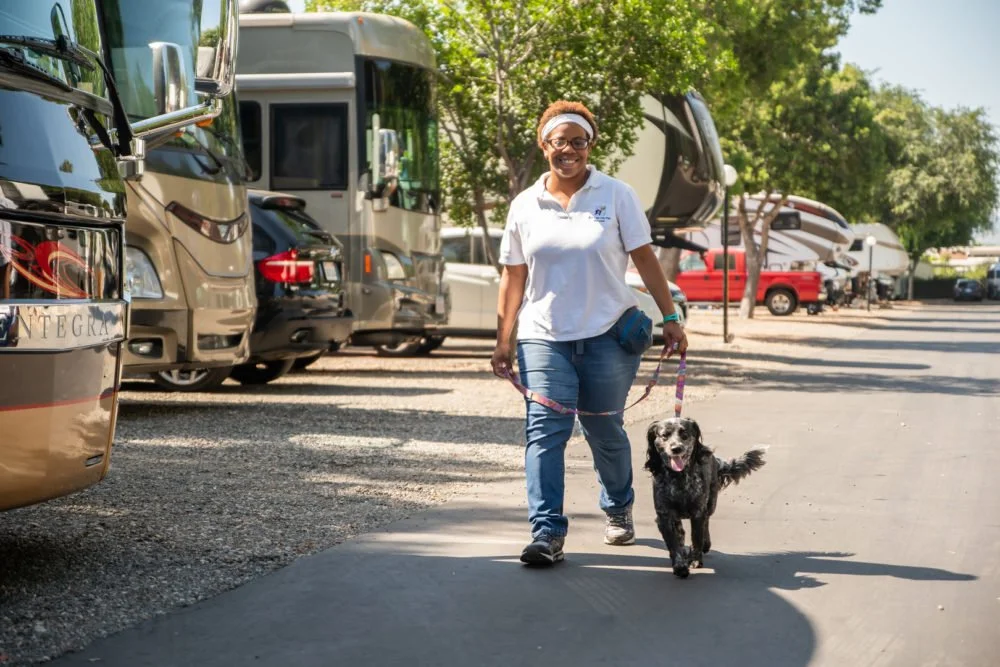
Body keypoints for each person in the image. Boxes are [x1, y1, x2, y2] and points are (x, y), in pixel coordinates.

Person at [491, 100, 688, 566]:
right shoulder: (524, 204)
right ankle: (546, 532)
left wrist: (671, 317)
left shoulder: (616, 195)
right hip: (543, 336)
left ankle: (618, 505)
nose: (570, 150)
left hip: (607, 336)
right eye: (560, 142)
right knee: (545, 433)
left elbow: (644, 258)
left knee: (604, 430)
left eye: (579, 142)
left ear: (590, 146)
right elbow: (513, 274)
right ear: (544, 146)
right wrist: (503, 339)